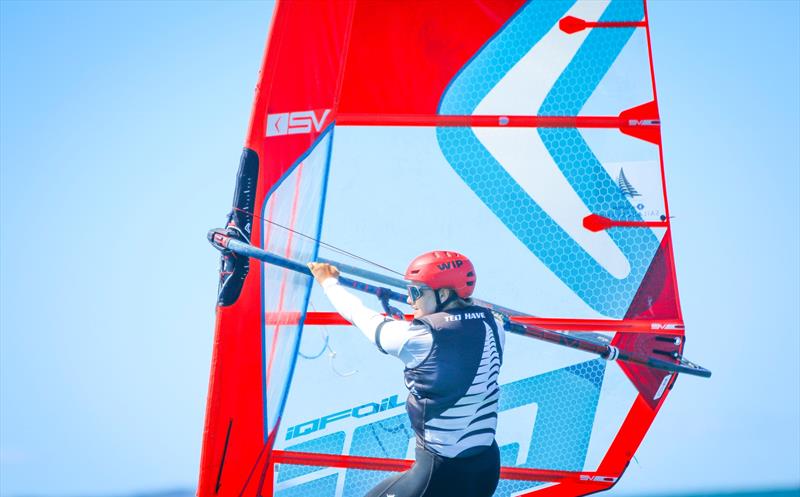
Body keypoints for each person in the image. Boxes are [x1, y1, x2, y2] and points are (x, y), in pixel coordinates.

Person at [308, 250, 505, 497]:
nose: (410, 301)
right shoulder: (494, 325)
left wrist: (328, 281)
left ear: (444, 294)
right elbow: (461, 331)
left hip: (439, 476)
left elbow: (360, 316)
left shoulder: (414, 339)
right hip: (486, 470)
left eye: (415, 292)